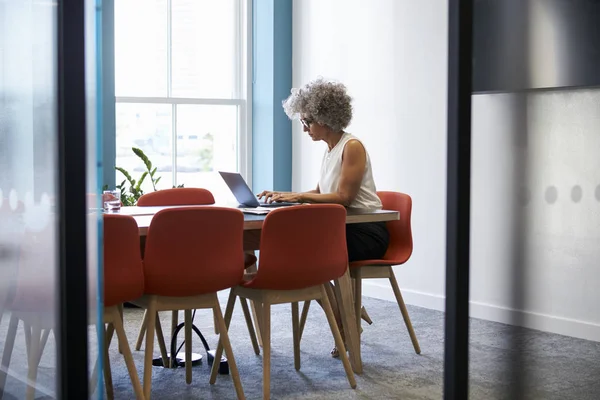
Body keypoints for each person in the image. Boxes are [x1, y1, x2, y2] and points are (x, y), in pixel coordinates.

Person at [257, 77, 390, 356]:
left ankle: (346, 322)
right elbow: (320, 191)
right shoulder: (330, 150)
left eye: (307, 121)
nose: (304, 128)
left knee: (310, 262)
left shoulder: (352, 147)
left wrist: (300, 198)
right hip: (340, 230)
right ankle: (348, 315)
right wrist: (285, 195)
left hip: (366, 232)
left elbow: (344, 198)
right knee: (307, 262)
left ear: (325, 117)